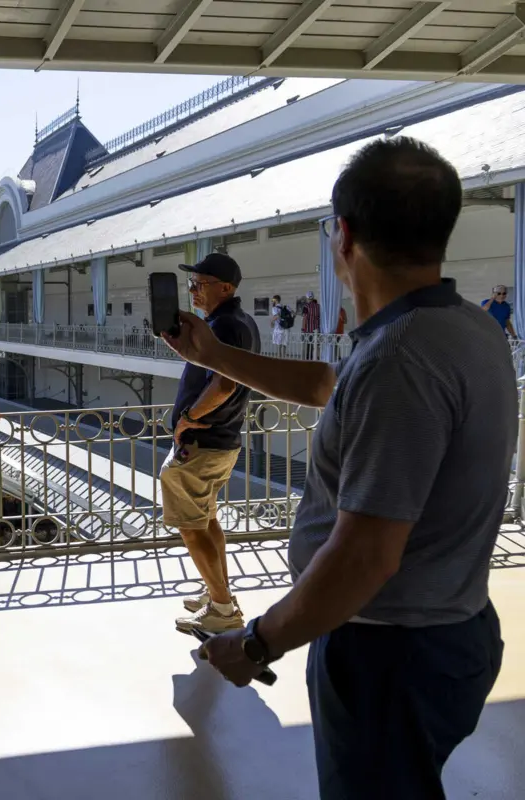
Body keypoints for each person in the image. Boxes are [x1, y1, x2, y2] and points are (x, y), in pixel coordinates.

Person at [162, 137, 512, 799]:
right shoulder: (466, 328)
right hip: (450, 629)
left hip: (389, 653)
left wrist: (257, 643)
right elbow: (331, 384)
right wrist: (213, 355)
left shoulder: (398, 361)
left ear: (343, 235)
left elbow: (365, 556)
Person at [163, 252, 260, 635]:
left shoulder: (224, 327)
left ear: (226, 287)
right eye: (192, 284)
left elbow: (224, 385)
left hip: (203, 443)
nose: (193, 291)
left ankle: (221, 608)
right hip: (223, 440)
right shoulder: (238, 322)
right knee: (207, 520)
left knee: (191, 526)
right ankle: (217, 592)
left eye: (200, 284)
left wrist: (190, 419)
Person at [301, 291, 321, 359]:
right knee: (315, 345)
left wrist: (303, 328)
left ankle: (308, 358)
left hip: (308, 329)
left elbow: (305, 318)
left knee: (308, 344)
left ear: (307, 298)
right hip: (317, 329)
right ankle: (315, 358)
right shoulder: (318, 306)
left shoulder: (306, 306)